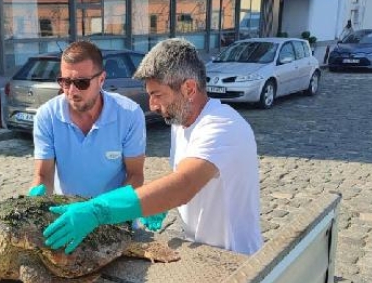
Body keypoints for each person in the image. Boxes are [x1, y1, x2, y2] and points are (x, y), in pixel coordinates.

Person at [42, 38, 263, 255]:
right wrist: (160, 202)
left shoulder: (222, 126)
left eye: (157, 95)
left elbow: (183, 185)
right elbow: (187, 175)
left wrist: (97, 211)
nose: (152, 105)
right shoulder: (181, 123)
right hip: (204, 251)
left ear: (189, 89)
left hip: (237, 257)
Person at [27, 40, 165, 230]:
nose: (71, 91)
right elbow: (44, 175)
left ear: (101, 80)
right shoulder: (47, 116)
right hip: (70, 219)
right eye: (65, 82)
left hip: (116, 219)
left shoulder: (129, 114)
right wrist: (35, 207)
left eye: (81, 83)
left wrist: (104, 214)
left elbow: (135, 174)